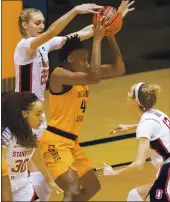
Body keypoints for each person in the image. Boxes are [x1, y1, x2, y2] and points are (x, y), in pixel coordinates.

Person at [39, 1, 135, 201]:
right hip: (55, 143)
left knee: (92, 187)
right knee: (72, 190)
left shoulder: (83, 73)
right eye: (83, 59)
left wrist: (110, 35)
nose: (87, 63)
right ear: (70, 58)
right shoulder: (59, 75)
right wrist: (97, 40)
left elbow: (119, 69)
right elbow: (95, 77)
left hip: (72, 143)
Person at [14, 4, 103, 200]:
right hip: (20, 116)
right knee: (17, 173)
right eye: (37, 23)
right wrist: (75, 10)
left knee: (43, 186)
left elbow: (81, 34)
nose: (41, 26)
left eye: (43, 23)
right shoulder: (24, 47)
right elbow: (54, 31)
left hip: (36, 115)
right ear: (24, 25)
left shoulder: (45, 45)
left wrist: (106, 22)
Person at [103, 82, 170, 202]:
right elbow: (154, 127)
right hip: (166, 168)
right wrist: (129, 127)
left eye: (129, 93)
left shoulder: (145, 125)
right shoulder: (158, 113)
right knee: (134, 195)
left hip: (168, 170)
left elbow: (139, 164)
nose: (127, 94)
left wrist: (115, 172)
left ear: (135, 102)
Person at [1, 92, 61, 201]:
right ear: (24, 114)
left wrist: (49, 179)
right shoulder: (7, 134)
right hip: (3, 187)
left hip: (23, 186)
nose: (42, 118)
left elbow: (36, 156)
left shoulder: (34, 131)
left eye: (42, 113)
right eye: (38, 114)